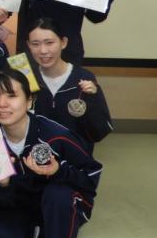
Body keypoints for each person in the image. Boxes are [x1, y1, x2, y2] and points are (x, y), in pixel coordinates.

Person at [0, 67, 102, 238]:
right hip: (21, 203)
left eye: (12, 96)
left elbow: (91, 177)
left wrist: (58, 171)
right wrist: (4, 184)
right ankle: (38, 230)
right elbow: (0, 198)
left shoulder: (55, 135)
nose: (2, 104)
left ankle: (53, 230)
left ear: (29, 100)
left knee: (58, 195)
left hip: (58, 202)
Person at [27, 18, 113, 149]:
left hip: (75, 156)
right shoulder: (26, 78)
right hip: (36, 156)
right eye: (35, 44)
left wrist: (93, 98)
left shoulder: (84, 78)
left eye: (49, 43)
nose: (43, 50)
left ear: (63, 42)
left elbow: (100, 132)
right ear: (28, 45)